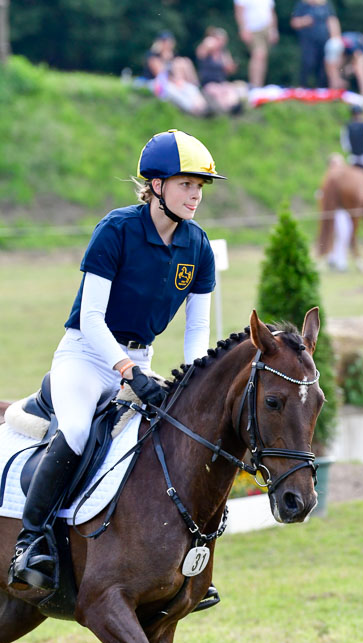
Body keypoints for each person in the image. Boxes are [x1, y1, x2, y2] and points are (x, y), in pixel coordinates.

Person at [8, 129, 226, 591]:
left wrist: (193, 381)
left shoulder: (198, 246)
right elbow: (90, 317)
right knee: (78, 431)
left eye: (200, 187)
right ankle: (31, 543)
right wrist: (127, 371)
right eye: (186, 184)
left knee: (174, 437)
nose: (195, 195)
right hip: (87, 357)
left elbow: (196, 329)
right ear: (158, 185)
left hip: (141, 358)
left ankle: (184, 563)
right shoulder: (117, 229)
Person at [143, 31, 210, 117]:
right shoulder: (152, 55)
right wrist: (165, 59)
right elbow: (159, 73)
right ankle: (192, 110)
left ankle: (203, 107)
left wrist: (178, 81)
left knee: (190, 88)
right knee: (173, 91)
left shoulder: (173, 55)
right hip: (154, 82)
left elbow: (175, 73)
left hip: (170, 81)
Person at [196, 26, 248, 114]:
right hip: (209, 83)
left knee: (230, 90)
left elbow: (229, 70)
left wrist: (232, 67)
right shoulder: (206, 51)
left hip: (221, 82)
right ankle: (224, 111)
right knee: (218, 93)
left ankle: (232, 108)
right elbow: (200, 53)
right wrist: (208, 43)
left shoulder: (224, 54)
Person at [290, 0, 341, 89]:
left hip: (324, 41)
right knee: (308, 62)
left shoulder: (326, 4)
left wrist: (335, 39)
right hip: (308, 41)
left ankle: (321, 89)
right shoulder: (303, 5)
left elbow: (332, 21)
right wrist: (304, 21)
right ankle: (303, 87)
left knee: (323, 66)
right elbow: (294, 22)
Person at [234, 0, 279, 88]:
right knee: (258, 55)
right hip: (253, 29)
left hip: (266, 29)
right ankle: (255, 85)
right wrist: (243, 29)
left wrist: (274, 30)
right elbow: (239, 11)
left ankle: (259, 84)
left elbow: (271, 12)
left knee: (263, 57)